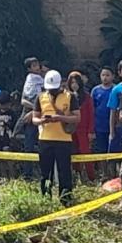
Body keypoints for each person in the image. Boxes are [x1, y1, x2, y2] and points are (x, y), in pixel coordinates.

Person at [33, 70, 80, 205]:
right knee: (45, 172)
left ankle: (66, 199)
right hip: (45, 139)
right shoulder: (40, 97)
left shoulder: (70, 97)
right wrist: (42, 121)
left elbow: (77, 118)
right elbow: (34, 119)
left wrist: (60, 118)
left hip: (64, 140)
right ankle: (46, 198)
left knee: (64, 171)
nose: (52, 91)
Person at [67, 71, 95, 182]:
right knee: (73, 152)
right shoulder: (66, 96)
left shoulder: (87, 97)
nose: (74, 85)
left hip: (84, 129)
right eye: (72, 82)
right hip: (71, 129)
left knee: (85, 152)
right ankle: (76, 176)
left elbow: (91, 114)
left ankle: (91, 177)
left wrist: (91, 131)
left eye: (76, 82)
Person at [91, 66, 115, 156]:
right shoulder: (95, 90)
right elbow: (92, 109)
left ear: (113, 76)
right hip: (99, 126)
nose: (105, 77)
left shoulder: (115, 89)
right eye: (103, 75)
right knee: (100, 151)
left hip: (113, 125)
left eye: (107, 75)